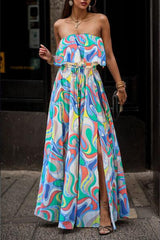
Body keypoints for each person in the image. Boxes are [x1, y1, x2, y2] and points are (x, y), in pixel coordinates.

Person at [34, 0, 130, 235]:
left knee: (98, 149)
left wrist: (120, 86)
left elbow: (108, 56)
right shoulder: (59, 25)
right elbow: (63, 60)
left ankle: (105, 211)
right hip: (65, 92)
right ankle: (68, 211)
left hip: (91, 88)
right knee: (67, 148)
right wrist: (50, 59)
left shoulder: (100, 21)